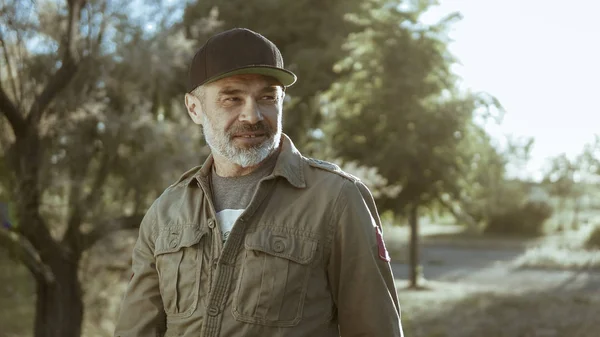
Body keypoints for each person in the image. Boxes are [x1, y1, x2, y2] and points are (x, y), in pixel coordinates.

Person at [114, 28, 404, 337]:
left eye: (267, 97)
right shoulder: (164, 213)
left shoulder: (338, 199)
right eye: (232, 98)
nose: (252, 116)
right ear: (194, 108)